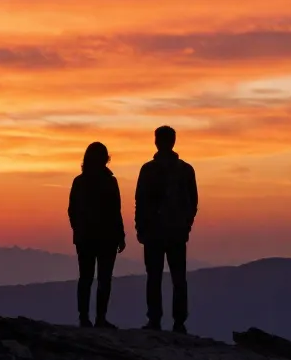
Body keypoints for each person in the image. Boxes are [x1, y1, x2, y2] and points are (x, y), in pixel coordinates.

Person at [135, 125, 198, 333]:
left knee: (155, 277)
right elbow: (193, 201)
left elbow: (140, 201)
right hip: (176, 232)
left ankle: (155, 320)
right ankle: (179, 322)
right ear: (173, 142)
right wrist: (186, 223)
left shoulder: (149, 169)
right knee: (178, 278)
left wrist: (141, 227)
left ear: (156, 141)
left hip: (156, 232)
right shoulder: (185, 170)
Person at [68, 141, 126, 328]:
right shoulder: (110, 182)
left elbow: (72, 211)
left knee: (86, 278)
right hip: (106, 238)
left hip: (86, 238)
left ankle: (84, 318)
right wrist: (120, 235)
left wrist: (78, 230)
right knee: (103, 278)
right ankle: (100, 318)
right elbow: (116, 210)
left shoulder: (80, 181)